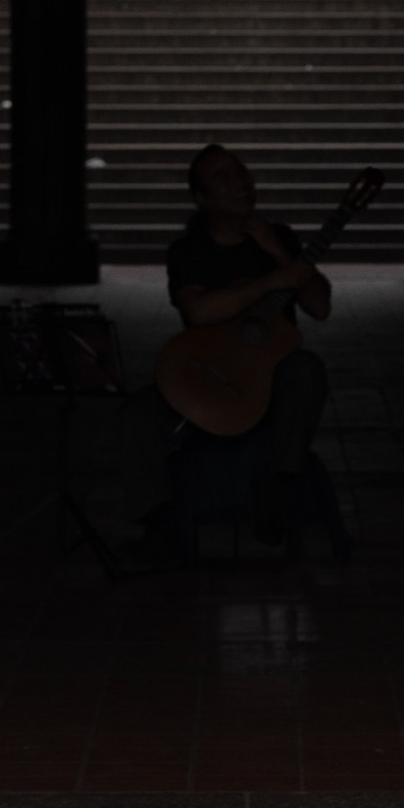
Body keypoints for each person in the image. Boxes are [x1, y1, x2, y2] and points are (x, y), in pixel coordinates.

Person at [155, 143, 339, 539]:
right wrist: (270, 282)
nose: (241, 183)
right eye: (224, 178)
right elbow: (199, 312)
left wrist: (279, 254)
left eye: (242, 173)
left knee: (306, 369)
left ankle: (282, 489)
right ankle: (158, 526)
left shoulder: (281, 239)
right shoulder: (189, 251)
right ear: (202, 199)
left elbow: (320, 307)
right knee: (137, 417)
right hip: (207, 375)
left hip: (270, 378)